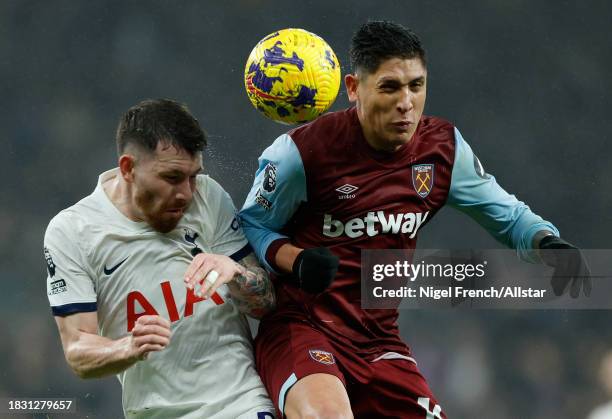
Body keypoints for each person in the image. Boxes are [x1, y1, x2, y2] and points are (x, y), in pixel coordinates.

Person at [239, 21, 591, 418]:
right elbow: (253, 225)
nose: (406, 102)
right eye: (390, 87)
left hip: (377, 340)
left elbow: (506, 214)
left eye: (416, 86)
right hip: (301, 327)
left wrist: (547, 242)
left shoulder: (443, 149)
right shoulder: (300, 153)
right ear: (354, 88)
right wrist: (297, 260)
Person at [44, 99, 276, 418]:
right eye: (172, 177)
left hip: (241, 403)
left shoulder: (208, 196)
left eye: (194, 176)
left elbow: (266, 303)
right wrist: (128, 347)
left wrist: (235, 272)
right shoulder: (73, 231)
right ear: (128, 168)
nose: (187, 192)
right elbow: (77, 352)